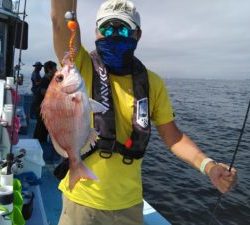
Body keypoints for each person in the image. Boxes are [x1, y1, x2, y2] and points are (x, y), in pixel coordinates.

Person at [51, 1, 237, 225]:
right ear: (95, 33)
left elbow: (174, 137)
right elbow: (60, 21)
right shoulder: (79, 66)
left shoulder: (152, 82)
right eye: (107, 28)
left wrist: (209, 166)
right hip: (81, 204)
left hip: (130, 205)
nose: (114, 34)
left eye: (123, 29)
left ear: (137, 35)